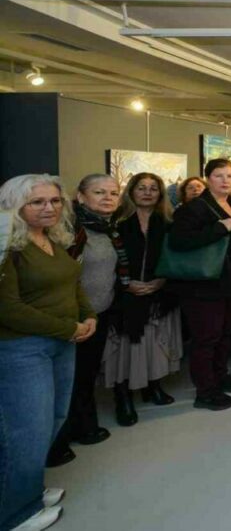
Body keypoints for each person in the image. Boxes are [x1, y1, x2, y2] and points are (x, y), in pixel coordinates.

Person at [0, 174, 96, 531]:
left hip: (61, 342)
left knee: (53, 419)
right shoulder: (9, 247)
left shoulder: (51, 239)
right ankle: (15, 515)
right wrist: (69, 328)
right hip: (22, 349)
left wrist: (88, 315)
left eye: (55, 201)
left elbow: (73, 284)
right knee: (26, 431)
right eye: (37, 202)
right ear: (15, 206)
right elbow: (8, 309)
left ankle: (26, 492)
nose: (49, 208)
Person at [169, 158, 231, 411]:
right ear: (208, 178)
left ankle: (221, 376)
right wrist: (219, 228)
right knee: (206, 338)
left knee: (225, 334)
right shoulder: (194, 208)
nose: (225, 180)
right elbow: (179, 242)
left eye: (230, 176)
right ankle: (205, 391)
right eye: (219, 175)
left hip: (230, 282)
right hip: (204, 286)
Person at [48, 174, 121, 465]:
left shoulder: (108, 228)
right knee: (64, 381)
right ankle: (56, 442)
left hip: (98, 313)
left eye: (113, 193)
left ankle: (84, 427)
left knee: (84, 376)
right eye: (99, 192)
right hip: (70, 317)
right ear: (80, 196)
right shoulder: (67, 228)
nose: (108, 198)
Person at [101, 173, 182, 424]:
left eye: (153, 188)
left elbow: (176, 257)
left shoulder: (168, 222)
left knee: (155, 344)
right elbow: (104, 262)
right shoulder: (116, 222)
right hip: (124, 295)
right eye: (141, 188)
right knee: (126, 347)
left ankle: (152, 385)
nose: (147, 193)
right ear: (131, 191)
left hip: (159, 291)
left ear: (160, 193)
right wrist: (126, 284)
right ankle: (123, 396)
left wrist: (161, 280)